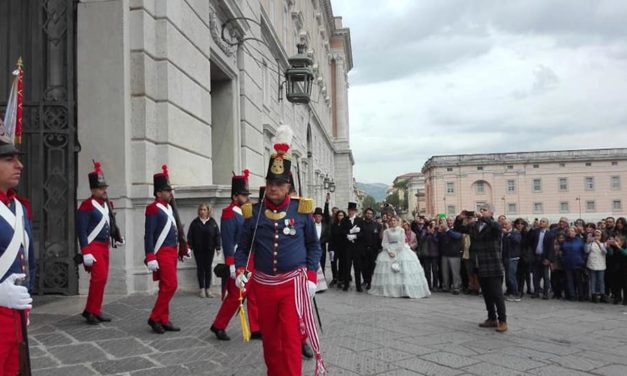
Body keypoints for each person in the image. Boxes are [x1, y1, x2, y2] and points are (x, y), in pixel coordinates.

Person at [235, 125, 325, 375]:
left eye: (279, 183)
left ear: (288, 187)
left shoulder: (303, 210)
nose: (273, 188)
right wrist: (240, 269)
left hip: (292, 285)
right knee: (271, 340)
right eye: (270, 183)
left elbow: (313, 246)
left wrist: (310, 276)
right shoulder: (253, 213)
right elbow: (242, 247)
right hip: (263, 285)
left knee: (290, 338)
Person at [0, 122, 36, 374]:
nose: (19, 165)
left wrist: (26, 301)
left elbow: (29, 260)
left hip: (16, 316)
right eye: (9, 159)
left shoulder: (20, 208)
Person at [210, 170, 260, 340]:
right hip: (238, 262)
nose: (247, 198)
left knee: (253, 293)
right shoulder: (229, 213)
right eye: (244, 195)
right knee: (237, 295)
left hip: (250, 259)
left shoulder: (246, 211)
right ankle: (218, 325)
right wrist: (232, 266)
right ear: (235, 196)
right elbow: (228, 240)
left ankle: (256, 327)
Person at [77, 161, 124, 324]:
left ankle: (94, 310)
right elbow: (81, 230)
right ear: (93, 190)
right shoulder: (86, 205)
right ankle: (91, 311)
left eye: (105, 187)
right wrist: (85, 251)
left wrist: (116, 238)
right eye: (101, 188)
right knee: (98, 278)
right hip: (93, 246)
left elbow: (110, 224)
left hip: (104, 246)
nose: (105, 190)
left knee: (102, 279)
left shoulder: (107, 205)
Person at [454, 206, 507, 332]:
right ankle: (492, 318)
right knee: (487, 294)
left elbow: (497, 228)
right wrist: (460, 218)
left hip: (493, 264)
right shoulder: (474, 226)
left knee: (497, 294)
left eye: (485, 210)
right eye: (481, 210)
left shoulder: (494, 225)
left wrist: (484, 218)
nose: (482, 211)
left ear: (491, 213)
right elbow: (458, 228)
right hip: (480, 264)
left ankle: (503, 321)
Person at [144, 165, 184, 334]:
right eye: (167, 191)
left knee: (164, 287)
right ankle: (154, 317)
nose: (170, 193)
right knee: (171, 285)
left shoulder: (169, 208)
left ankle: (164, 319)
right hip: (162, 252)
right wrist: (150, 255)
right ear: (159, 193)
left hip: (172, 250)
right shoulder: (153, 208)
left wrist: (183, 247)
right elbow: (149, 234)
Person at [369, 215, 430, 298]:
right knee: (388, 271)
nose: (393, 222)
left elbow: (402, 242)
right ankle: (391, 290)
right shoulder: (386, 231)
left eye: (394, 220)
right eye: (391, 220)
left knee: (403, 270)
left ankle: (404, 290)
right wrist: (389, 251)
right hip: (389, 250)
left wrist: (396, 252)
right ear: (389, 222)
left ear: (397, 222)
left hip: (400, 250)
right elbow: (384, 243)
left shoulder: (401, 230)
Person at [187, 203, 221, 298]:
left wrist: (218, 247)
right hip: (198, 250)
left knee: (208, 268)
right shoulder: (195, 222)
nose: (202, 211)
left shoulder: (212, 222)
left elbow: (217, 235)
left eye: (204, 209)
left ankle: (208, 289)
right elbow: (190, 236)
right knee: (200, 268)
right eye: (201, 209)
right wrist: (189, 247)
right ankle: (202, 289)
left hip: (209, 249)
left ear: (208, 211)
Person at [341, 202, 365, 292]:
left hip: (357, 248)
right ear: (348, 210)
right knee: (347, 266)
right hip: (347, 247)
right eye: (349, 210)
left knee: (357, 267)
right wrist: (349, 232)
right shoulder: (344, 220)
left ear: (355, 211)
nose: (350, 212)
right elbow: (341, 232)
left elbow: (363, 233)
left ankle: (358, 286)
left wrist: (355, 236)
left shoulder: (360, 220)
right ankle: (346, 284)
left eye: (352, 210)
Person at [437, 218, 463, 294]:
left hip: (454, 255)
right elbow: (439, 239)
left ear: (454, 221)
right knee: (444, 272)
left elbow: (456, 236)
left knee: (455, 272)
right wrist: (439, 231)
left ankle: (456, 287)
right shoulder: (443, 230)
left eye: (450, 220)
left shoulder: (457, 229)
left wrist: (447, 230)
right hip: (445, 254)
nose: (449, 222)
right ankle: (446, 287)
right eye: (447, 220)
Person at [361, 208, 383, 290]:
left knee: (372, 266)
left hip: (374, 249)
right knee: (363, 266)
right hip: (363, 248)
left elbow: (380, 238)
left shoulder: (377, 225)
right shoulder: (361, 224)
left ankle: (370, 282)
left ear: (372, 215)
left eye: (370, 213)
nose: (368, 215)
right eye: (367, 213)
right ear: (365, 214)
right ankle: (365, 280)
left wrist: (379, 248)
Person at [585, 229, 607, 303]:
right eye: (595, 235)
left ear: (601, 236)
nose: (597, 237)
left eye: (598, 235)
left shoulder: (603, 244)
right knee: (593, 280)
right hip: (592, 264)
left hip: (601, 265)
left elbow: (604, 252)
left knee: (601, 281)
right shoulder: (591, 243)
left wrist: (598, 244)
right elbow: (586, 251)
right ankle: (593, 295)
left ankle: (602, 294)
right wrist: (588, 242)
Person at [330, 209, 347, 288]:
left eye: (342, 215)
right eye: (339, 215)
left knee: (342, 264)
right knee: (333, 263)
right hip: (334, 247)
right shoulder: (334, 225)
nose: (340, 217)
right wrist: (330, 249)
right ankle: (334, 278)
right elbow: (331, 237)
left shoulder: (346, 225)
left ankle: (341, 279)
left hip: (343, 248)